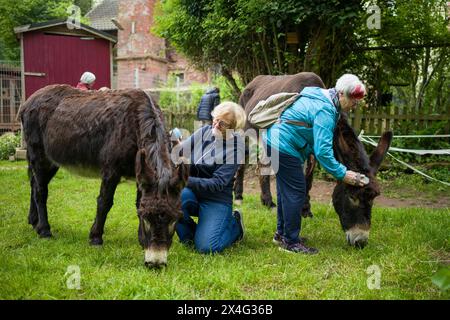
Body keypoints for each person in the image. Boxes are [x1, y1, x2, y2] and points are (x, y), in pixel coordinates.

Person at [264, 74, 369, 254]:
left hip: (274, 142)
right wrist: (343, 173)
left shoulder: (323, 96)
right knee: (296, 193)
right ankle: (290, 242)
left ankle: (281, 235)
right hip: (283, 146)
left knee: (285, 192)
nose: (355, 105)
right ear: (342, 94)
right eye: (353, 100)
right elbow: (323, 152)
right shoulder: (326, 110)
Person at [175, 101, 246, 254]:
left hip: (215, 199)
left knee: (208, 248)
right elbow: (179, 152)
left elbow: (217, 183)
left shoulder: (236, 148)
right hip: (192, 192)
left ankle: (235, 226)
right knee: (170, 199)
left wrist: (184, 179)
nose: (216, 125)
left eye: (223, 124)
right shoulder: (204, 132)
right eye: (215, 119)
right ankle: (189, 236)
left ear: (233, 128)